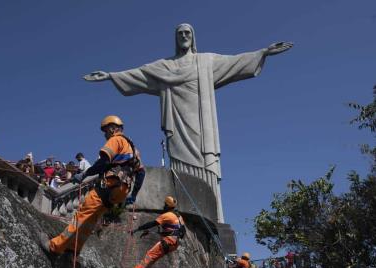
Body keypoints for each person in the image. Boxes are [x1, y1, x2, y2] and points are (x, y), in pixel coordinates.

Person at [84, 23, 293, 223]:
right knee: (180, 161)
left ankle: (216, 218)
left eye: (187, 33)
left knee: (206, 161)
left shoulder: (206, 61)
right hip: (178, 123)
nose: (184, 36)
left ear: (193, 38)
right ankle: (181, 206)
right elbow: (140, 73)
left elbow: (235, 61)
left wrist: (263, 52)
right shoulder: (165, 66)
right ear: (176, 39)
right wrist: (111, 76)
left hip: (202, 122)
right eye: (180, 34)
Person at [39, 115, 144, 255]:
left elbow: (103, 162)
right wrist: (134, 194)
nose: (105, 135)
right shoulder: (134, 150)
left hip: (109, 185)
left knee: (81, 216)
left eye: (106, 131)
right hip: (121, 192)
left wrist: (85, 174)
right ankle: (73, 250)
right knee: (91, 220)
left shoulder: (116, 140)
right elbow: (141, 173)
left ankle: (54, 246)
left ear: (112, 128)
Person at [131, 196, 185, 268]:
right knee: (153, 258)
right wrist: (150, 232)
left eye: (165, 205)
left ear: (168, 206)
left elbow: (152, 224)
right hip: (174, 243)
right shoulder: (179, 216)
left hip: (168, 241)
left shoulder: (166, 215)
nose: (163, 206)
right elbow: (180, 232)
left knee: (150, 255)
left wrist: (138, 228)